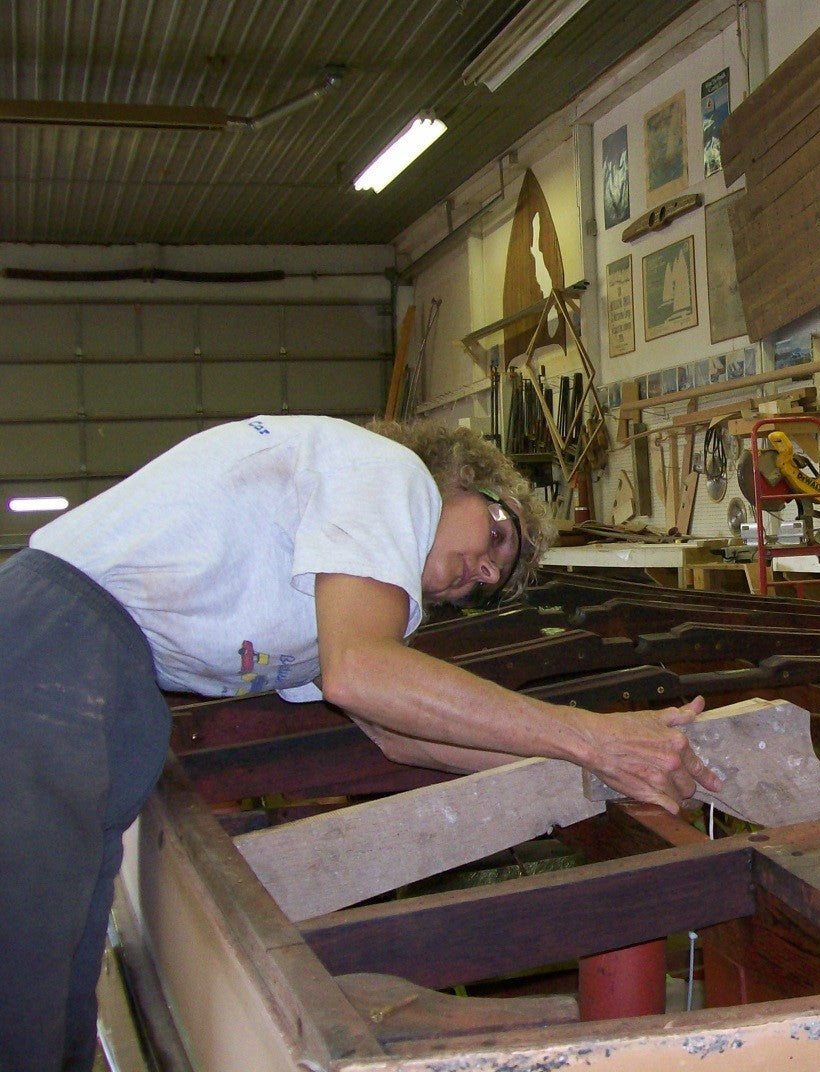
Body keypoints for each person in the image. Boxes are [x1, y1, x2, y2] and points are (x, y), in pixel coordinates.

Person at [0, 414, 721, 1072]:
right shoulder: (391, 472)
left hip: (108, 682)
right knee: (22, 959)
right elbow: (361, 675)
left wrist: (587, 765)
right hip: (58, 649)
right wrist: (592, 737)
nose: (485, 572)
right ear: (456, 478)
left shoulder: (351, 587)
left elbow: (400, 735)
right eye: (497, 534)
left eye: (490, 585)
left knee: (57, 967)